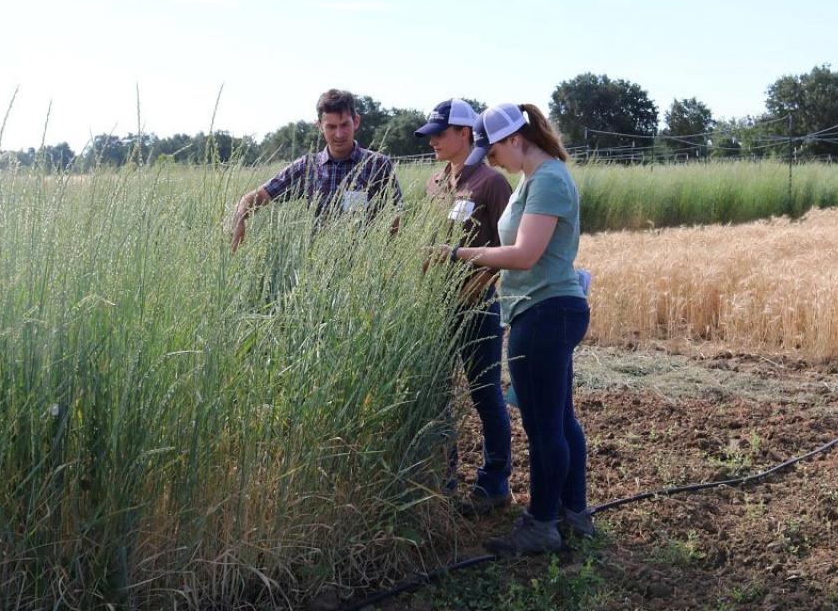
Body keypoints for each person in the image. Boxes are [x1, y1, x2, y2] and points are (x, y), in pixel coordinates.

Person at [444, 102, 592, 555]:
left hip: (545, 311)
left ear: (514, 140)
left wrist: (455, 255)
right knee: (560, 419)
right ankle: (574, 512)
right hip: (542, 309)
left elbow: (525, 254)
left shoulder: (547, 179)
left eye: (493, 152)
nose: (490, 162)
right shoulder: (537, 178)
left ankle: (542, 524)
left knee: (544, 426)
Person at [416, 98, 513, 515]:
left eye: (441, 133)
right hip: (437, 305)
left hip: (477, 307)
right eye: (431, 134)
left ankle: (494, 484)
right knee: (438, 394)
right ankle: (445, 479)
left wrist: (480, 283)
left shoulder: (492, 183)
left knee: (484, 393)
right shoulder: (435, 183)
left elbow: (509, 248)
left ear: (465, 133)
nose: (433, 140)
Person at [231, 89, 403, 251]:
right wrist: (239, 215)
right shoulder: (307, 168)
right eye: (331, 127)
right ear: (319, 126)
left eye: (344, 125)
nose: (339, 134)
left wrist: (387, 255)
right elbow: (260, 196)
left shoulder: (378, 165)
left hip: (365, 271)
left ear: (356, 121)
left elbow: (397, 213)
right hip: (317, 274)